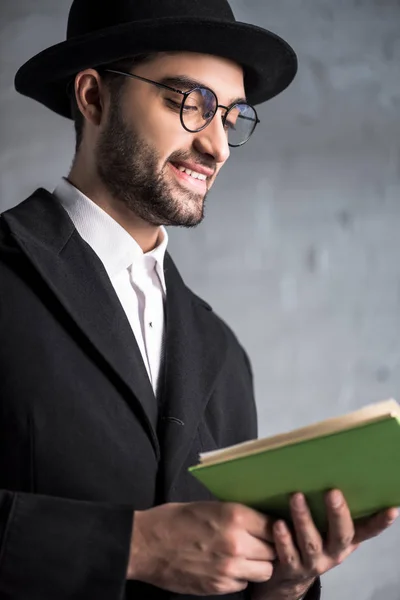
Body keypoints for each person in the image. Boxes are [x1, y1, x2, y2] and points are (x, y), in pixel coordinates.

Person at [0, 0, 397, 599]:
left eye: (232, 119)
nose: (216, 146)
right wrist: (134, 546)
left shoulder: (223, 354)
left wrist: (281, 583)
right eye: (190, 104)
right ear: (93, 97)